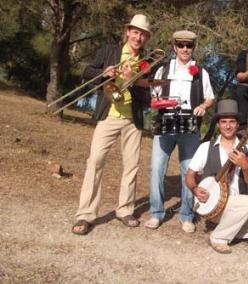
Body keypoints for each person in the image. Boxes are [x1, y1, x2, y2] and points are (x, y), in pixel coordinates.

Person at [71, 14, 152, 235]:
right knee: (95, 161)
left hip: (132, 120)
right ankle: (86, 214)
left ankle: (125, 210)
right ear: (128, 32)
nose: (138, 37)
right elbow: (87, 72)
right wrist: (103, 73)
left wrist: (132, 80)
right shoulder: (110, 51)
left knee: (131, 166)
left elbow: (147, 98)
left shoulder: (146, 62)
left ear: (146, 38)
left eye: (142, 34)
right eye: (135, 32)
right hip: (109, 116)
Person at [186, 99, 248, 254]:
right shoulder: (205, 148)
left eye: (232, 122)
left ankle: (230, 230)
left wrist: (244, 165)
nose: (227, 126)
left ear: (238, 124)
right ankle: (218, 237)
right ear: (218, 124)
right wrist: (195, 188)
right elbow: (190, 175)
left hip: (240, 207)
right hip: (215, 207)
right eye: (223, 121)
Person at [144, 30, 214, 233]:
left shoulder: (201, 72)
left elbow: (210, 97)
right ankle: (156, 213)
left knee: (188, 171)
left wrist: (203, 106)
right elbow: (154, 95)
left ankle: (186, 215)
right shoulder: (162, 70)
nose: (185, 49)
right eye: (181, 45)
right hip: (165, 123)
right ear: (174, 47)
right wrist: (158, 103)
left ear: (194, 48)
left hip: (190, 125)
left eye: (189, 45)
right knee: (157, 169)